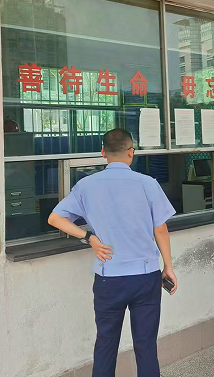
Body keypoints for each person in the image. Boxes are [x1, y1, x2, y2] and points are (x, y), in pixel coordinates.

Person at [48, 129, 177, 377]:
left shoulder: (86, 185)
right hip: (146, 276)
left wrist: (89, 237)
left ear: (103, 153)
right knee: (146, 346)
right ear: (131, 152)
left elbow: (55, 218)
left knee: (106, 345)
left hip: (109, 279)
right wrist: (168, 267)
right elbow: (160, 229)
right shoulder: (147, 183)